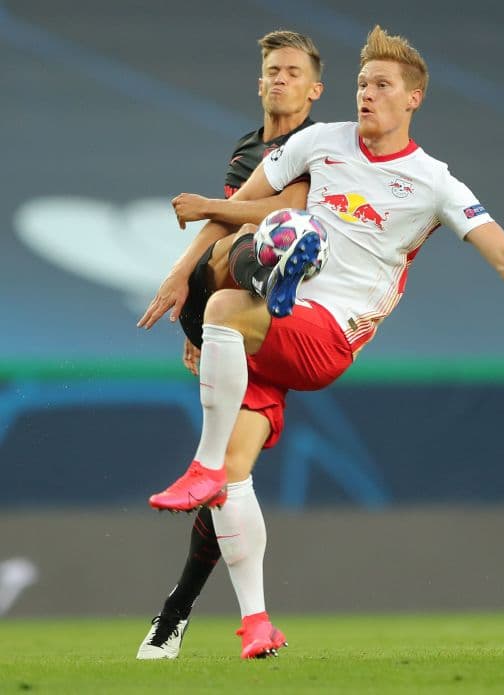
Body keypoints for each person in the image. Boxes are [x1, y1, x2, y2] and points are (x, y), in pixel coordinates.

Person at [141, 25, 504, 660]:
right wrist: (179, 273)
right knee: (237, 475)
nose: (367, 95)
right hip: (273, 330)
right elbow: (234, 205)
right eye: (361, 84)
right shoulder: (320, 143)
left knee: (225, 304)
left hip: (327, 335)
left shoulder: (433, 182)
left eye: (382, 85)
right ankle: (257, 623)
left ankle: (205, 457)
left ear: (414, 99)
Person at [135, 29, 324, 660]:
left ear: (313, 88)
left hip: (279, 323)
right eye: (272, 69)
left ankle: (260, 289)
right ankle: (197, 617)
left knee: (273, 235)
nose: (279, 79)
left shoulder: (315, 145)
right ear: (260, 79)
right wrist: (181, 283)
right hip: (234, 322)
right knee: (226, 475)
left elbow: (287, 208)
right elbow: (222, 218)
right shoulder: (250, 147)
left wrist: (206, 206)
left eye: (292, 71)